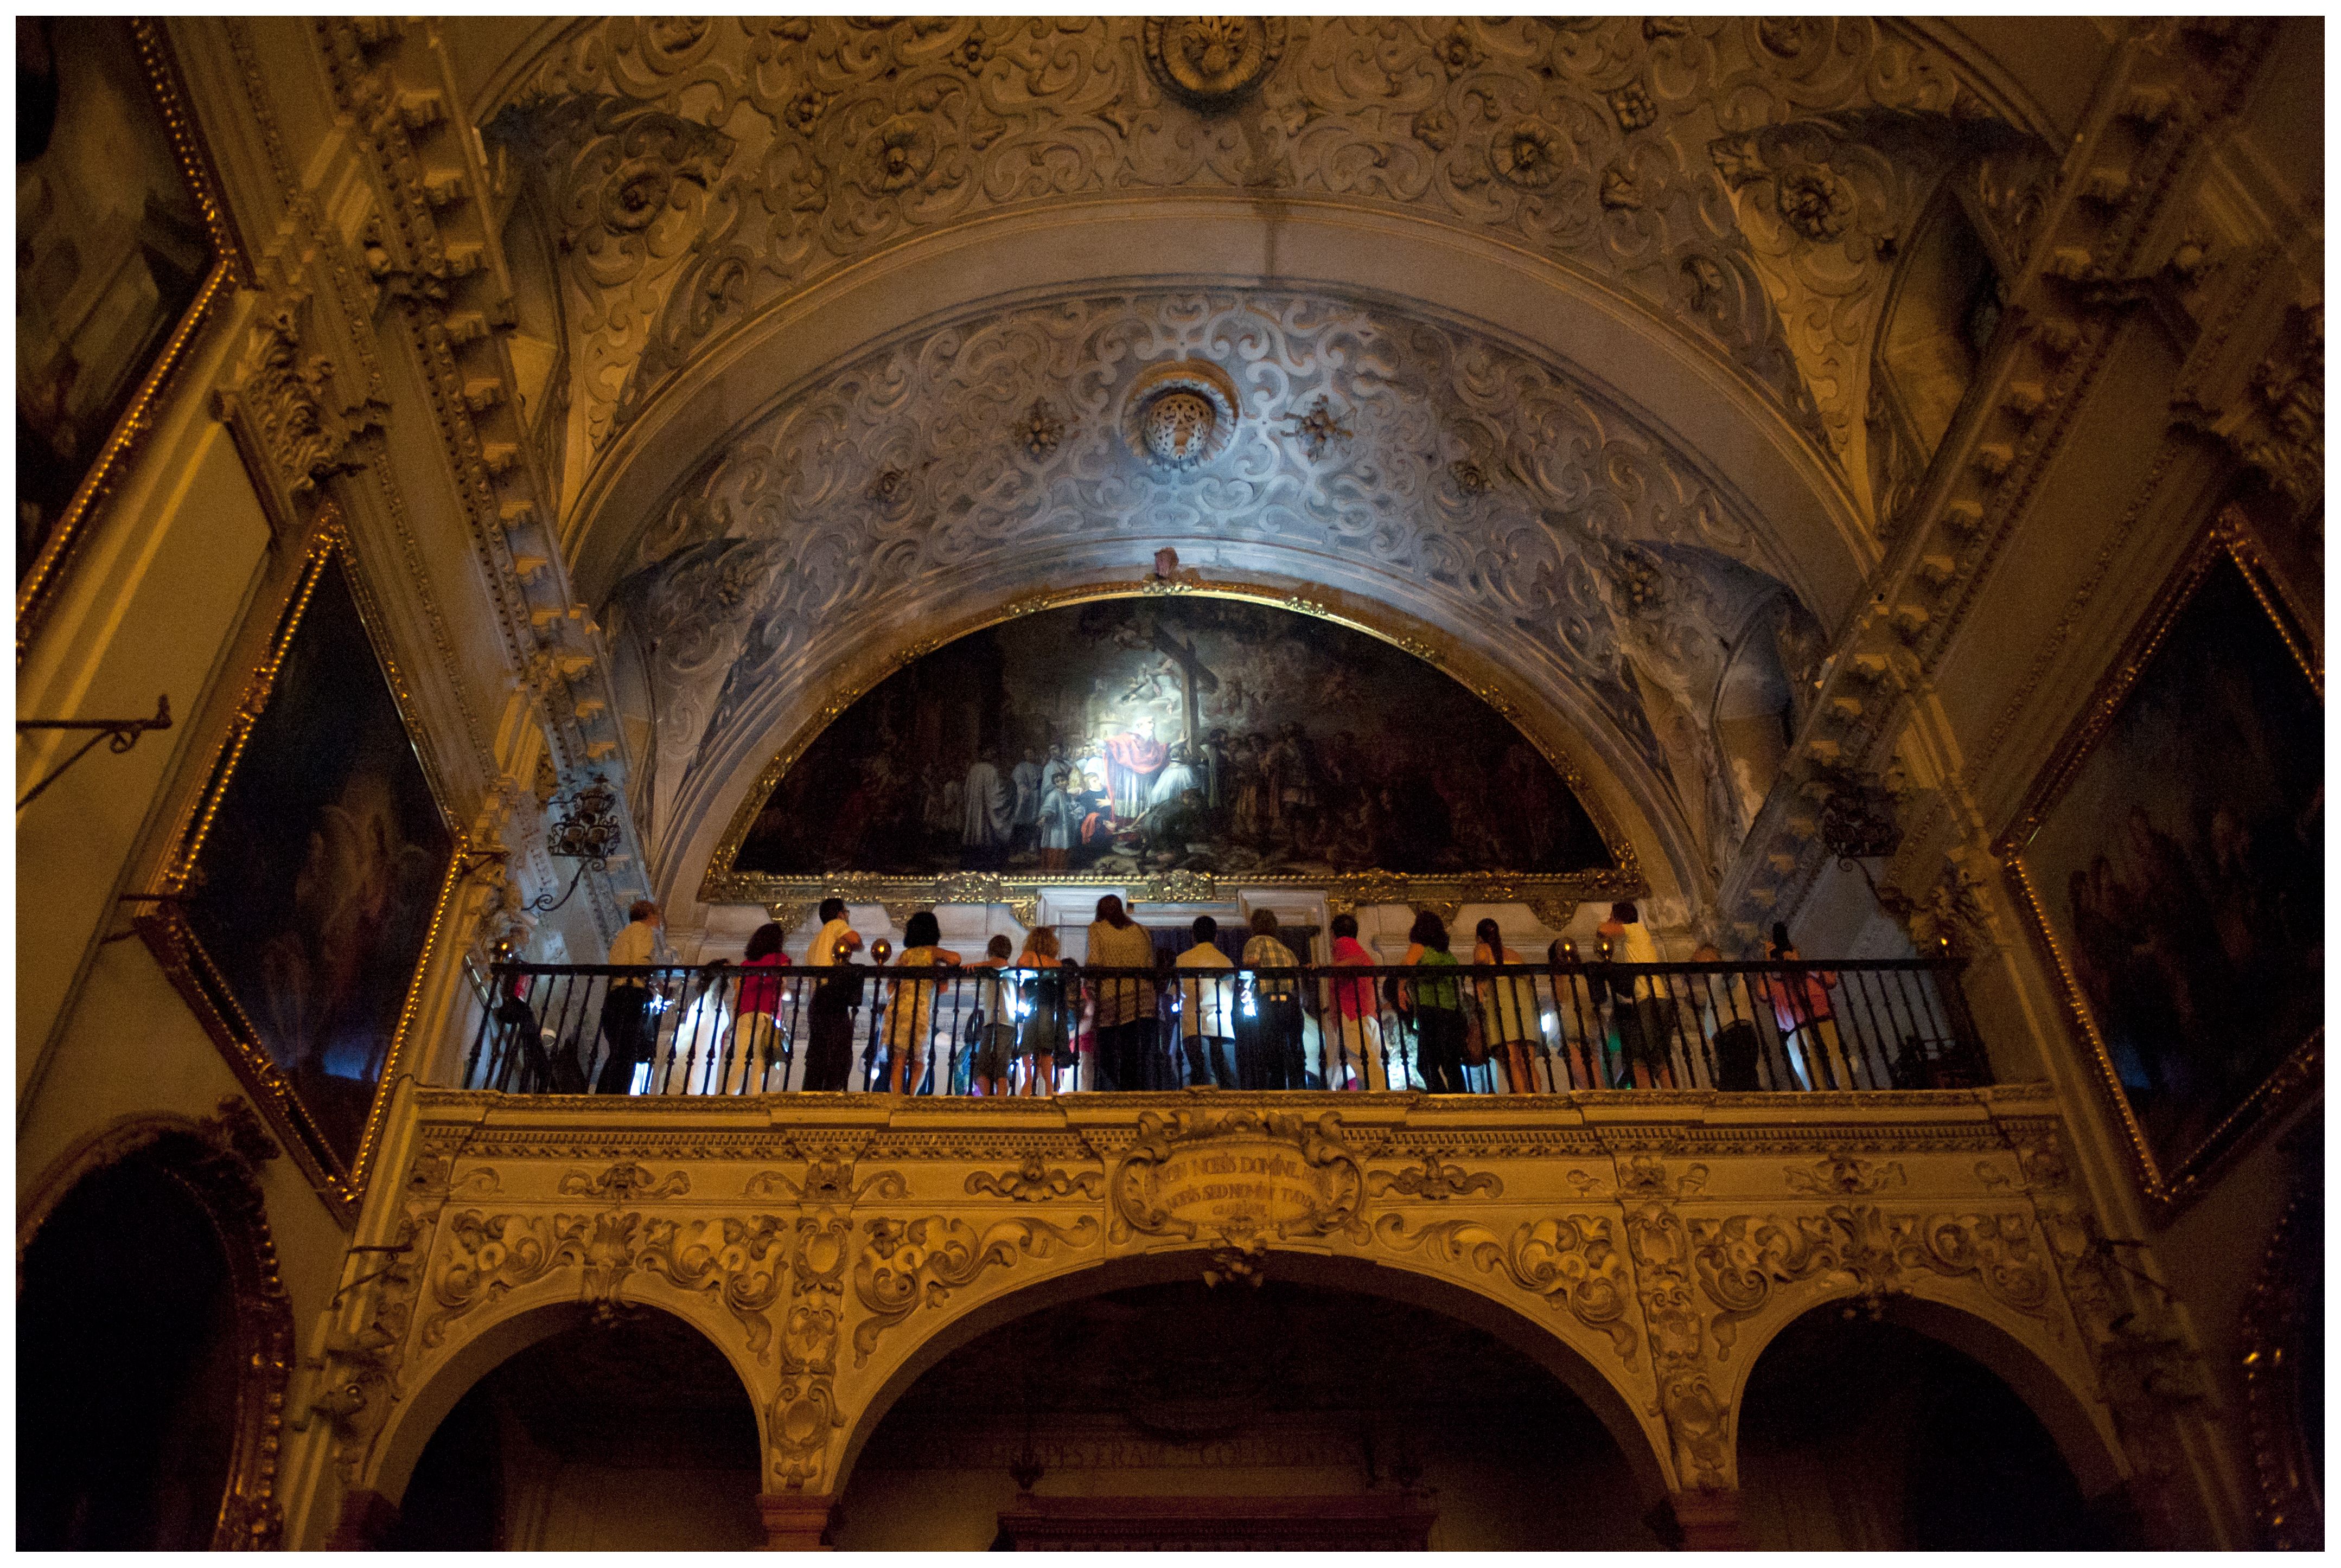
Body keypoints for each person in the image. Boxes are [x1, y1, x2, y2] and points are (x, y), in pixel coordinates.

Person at [1755, 923, 1850, 1090]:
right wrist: (1769, 963)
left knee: (1839, 1070)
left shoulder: (1811, 975)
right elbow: (1763, 992)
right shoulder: (1778, 985)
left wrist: (1800, 963)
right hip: (1796, 1033)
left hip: (1823, 1023)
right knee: (1813, 1082)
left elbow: (1830, 980)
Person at [1085, 895, 1160, 1090]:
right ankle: (1136, 1100)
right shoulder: (1142, 931)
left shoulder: (1097, 928)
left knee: (1109, 1059)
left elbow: (1095, 960)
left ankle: (1121, 1099)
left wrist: (1090, 988)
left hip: (1112, 1000)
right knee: (1137, 1059)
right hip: (1143, 1001)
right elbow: (1148, 965)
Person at [1599, 901, 1676, 1089]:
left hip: (1648, 1001)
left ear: (1619, 919)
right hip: (1660, 1000)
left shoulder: (1635, 930)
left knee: (1639, 1061)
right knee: (1660, 1061)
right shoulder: (1637, 939)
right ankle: (1675, 1100)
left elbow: (1603, 929)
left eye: (1613, 917)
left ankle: (1648, 1106)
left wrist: (1608, 926)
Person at [883, 912, 961, 1095]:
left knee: (899, 1058)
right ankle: (910, 1095)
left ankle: (896, 1097)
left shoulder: (906, 954)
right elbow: (956, 959)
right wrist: (940, 969)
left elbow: (890, 986)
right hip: (919, 1007)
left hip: (898, 1008)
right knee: (920, 1059)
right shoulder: (932, 952)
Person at [594, 900, 664, 1094]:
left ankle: (605, 1093)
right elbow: (641, 962)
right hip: (630, 995)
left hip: (616, 995)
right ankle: (616, 1095)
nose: (659, 921)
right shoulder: (642, 931)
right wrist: (656, 982)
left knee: (619, 1051)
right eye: (657, 916)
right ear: (649, 915)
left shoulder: (624, 935)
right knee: (627, 1051)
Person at [718, 922, 792, 1095]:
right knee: (759, 1062)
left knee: (739, 1061)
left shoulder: (746, 965)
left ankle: (729, 1099)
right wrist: (787, 995)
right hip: (767, 1014)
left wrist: (734, 1021)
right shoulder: (780, 960)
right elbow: (782, 986)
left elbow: (738, 993)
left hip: (745, 1014)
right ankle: (757, 1100)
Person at [1472, 919, 1542, 1095]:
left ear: (1480, 937)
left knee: (1511, 1060)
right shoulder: (1515, 955)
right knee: (1528, 1062)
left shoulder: (1483, 948)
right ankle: (1538, 1100)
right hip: (1524, 1007)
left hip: (1502, 1005)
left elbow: (1480, 962)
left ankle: (1523, 1100)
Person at [1401, 911, 1468, 1093]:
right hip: (1452, 1011)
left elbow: (1406, 968)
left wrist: (1401, 990)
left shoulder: (1419, 948)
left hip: (1430, 1009)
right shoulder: (1447, 955)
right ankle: (1460, 1100)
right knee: (1451, 1063)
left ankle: (1441, 1098)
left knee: (1426, 1064)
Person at [803, 898, 865, 1092]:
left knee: (818, 1049)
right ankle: (832, 1090)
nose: (847, 916)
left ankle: (812, 1090)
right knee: (839, 1046)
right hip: (833, 993)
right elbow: (856, 941)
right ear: (840, 914)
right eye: (846, 912)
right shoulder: (836, 925)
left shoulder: (814, 943)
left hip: (817, 999)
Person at [1240, 908, 1303, 1090]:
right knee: (1290, 1050)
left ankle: (1275, 1091)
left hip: (1269, 1002)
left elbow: (1250, 964)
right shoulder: (1286, 950)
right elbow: (1296, 974)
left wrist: (1246, 992)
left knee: (1270, 1052)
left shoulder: (1255, 942)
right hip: (1290, 1003)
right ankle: (1295, 1090)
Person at [1173, 916, 1236, 1088]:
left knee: (1202, 1080)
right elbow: (1232, 993)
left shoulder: (1182, 960)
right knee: (1227, 1081)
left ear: (1193, 936)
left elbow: (1175, 995)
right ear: (1216, 937)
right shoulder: (1226, 962)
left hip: (1194, 1026)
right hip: (1223, 1026)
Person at [1326, 912, 1385, 1090]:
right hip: (1368, 1013)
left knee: (1366, 1065)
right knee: (1368, 1062)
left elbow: (1360, 962)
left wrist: (1328, 968)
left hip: (1352, 1014)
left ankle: (1381, 1106)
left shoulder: (1342, 945)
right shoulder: (1356, 947)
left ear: (1334, 934)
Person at [1013, 926, 1071, 1095]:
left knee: (1027, 1047)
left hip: (1036, 1008)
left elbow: (1021, 964)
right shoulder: (1057, 964)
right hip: (1052, 1011)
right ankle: (1049, 1091)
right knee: (1046, 1051)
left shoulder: (1031, 956)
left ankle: (1028, 1083)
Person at [968, 933, 1019, 1096]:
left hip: (996, 1022)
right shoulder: (1013, 974)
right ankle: (996, 1102)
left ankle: (994, 1102)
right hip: (1006, 1023)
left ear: (991, 951)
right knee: (998, 1069)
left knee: (991, 1069)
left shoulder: (996, 968)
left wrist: (978, 965)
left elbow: (998, 963)